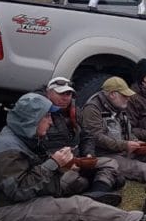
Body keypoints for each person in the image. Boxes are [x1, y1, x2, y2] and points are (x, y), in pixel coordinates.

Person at [0, 92, 146, 221]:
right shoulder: (7, 148)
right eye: (47, 117)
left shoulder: (24, 136)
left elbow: (31, 174)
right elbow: (18, 190)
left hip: (26, 200)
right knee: (78, 207)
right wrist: (53, 164)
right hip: (11, 210)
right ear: (32, 119)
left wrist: (60, 166)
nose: (50, 122)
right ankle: (141, 220)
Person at [36, 76, 124, 204]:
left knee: (112, 164)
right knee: (80, 180)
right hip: (56, 167)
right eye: (61, 93)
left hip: (78, 161)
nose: (66, 98)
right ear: (49, 93)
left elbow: (87, 136)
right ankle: (98, 189)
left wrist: (88, 154)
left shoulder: (75, 111)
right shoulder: (40, 114)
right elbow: (37, 149)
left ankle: (96, 194)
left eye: (69, 94)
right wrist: (61, 163)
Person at [80, 76, 146, 184]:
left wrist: (134, 141)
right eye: (124, 95)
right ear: (112, 94)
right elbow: (96, 138)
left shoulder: (119, 106)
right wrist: (124, 145)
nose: (128, 98)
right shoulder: (92, 109)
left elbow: (128, 131)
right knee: (144, 169)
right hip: (105, 155)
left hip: (122, 151)